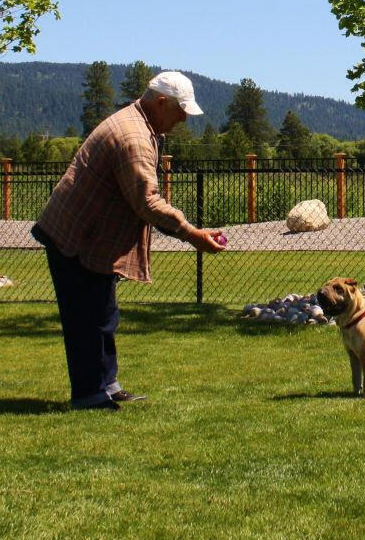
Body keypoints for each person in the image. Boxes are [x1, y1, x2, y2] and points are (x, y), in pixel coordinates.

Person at [32, 71, 227, 410]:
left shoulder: (138, 125)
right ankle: (90, 395)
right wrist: (193, 234)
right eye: (180, 110)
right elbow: (147, 202)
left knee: (104, 313)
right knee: (87, 319)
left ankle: (107, 385)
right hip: (76, 239)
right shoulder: (133, 136)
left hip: (88, 238)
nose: (183, 119)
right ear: (161, 102)